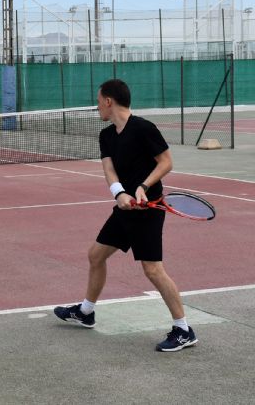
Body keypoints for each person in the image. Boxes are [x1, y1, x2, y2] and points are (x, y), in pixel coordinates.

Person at [53, 79, 198, 352]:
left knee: (152, 270)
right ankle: (86, 312)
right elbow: (110, 171)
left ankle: (183, 329)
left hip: (148, 211)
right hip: (124, 210)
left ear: (109, 101)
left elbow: (166, 162)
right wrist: (120, 194)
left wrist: (143, 187)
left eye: (99, 101)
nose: (97, 106)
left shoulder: (144, 128)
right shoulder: (106, 136)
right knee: (96, 254)